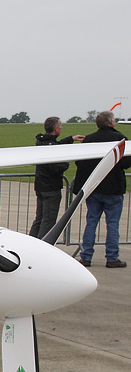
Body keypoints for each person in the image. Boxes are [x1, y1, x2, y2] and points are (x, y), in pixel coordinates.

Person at [73, 110, 131, 268]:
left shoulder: (90, 139)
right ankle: (112, 257)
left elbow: (80, 162)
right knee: (112, 224)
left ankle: (86, 256)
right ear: (111, 122)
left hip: (94, 187)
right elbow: (126, 163)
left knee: (91, 221)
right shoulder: (119, 138)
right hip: (113, 188)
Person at [28, 116, 71, 238]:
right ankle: (42, 245)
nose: (62, 128)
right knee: (48, 220)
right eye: (61, 126)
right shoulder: (50, 145)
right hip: (51, 188)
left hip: (41, 186)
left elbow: (55, 144)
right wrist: (66, 164)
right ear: (56, 128)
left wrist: (70, 139)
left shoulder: (42, 141)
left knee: (39, 218)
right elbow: (54, 167)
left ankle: (30, 242)